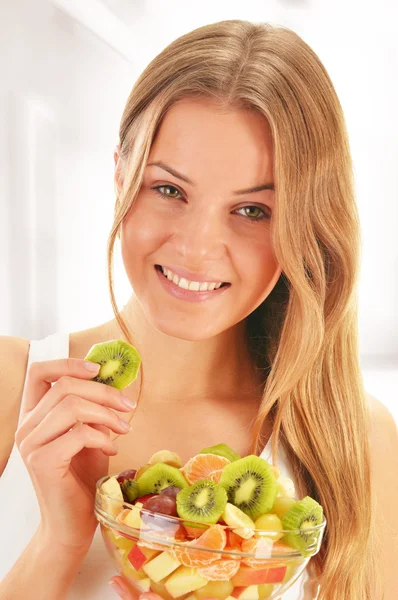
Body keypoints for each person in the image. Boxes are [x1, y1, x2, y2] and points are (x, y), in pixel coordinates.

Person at [0, 18, 397, 600]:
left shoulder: (355, 439)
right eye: (169, 190)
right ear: (120, 175)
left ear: (306, 227)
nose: (197, 248)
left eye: (253, 211)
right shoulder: (12, 388)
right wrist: (59, 542)